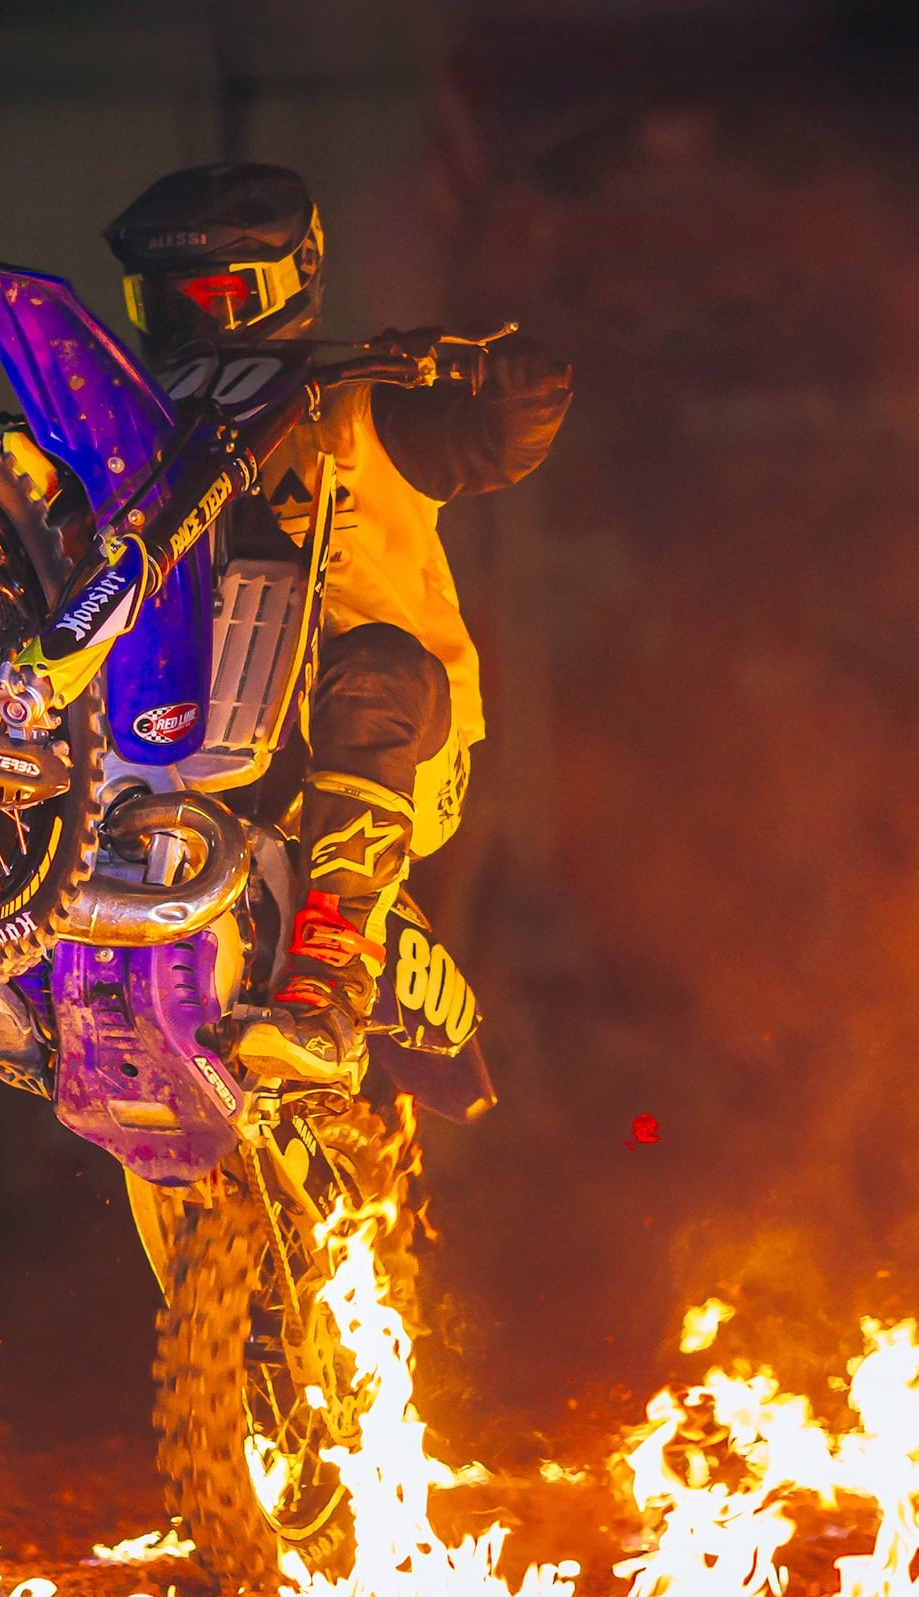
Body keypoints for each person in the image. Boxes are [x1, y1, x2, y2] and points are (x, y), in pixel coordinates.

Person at [101, 163, 571, 1090]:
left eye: (222, 300)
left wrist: (518, 392)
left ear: (290, 284)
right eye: (174, 308)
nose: (201, 331)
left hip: (390, 736)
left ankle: (330, 981)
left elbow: (483, 443)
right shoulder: (144, 441)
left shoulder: (360, 405)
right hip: (202, 743)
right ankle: (32, 953)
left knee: (373, 667)